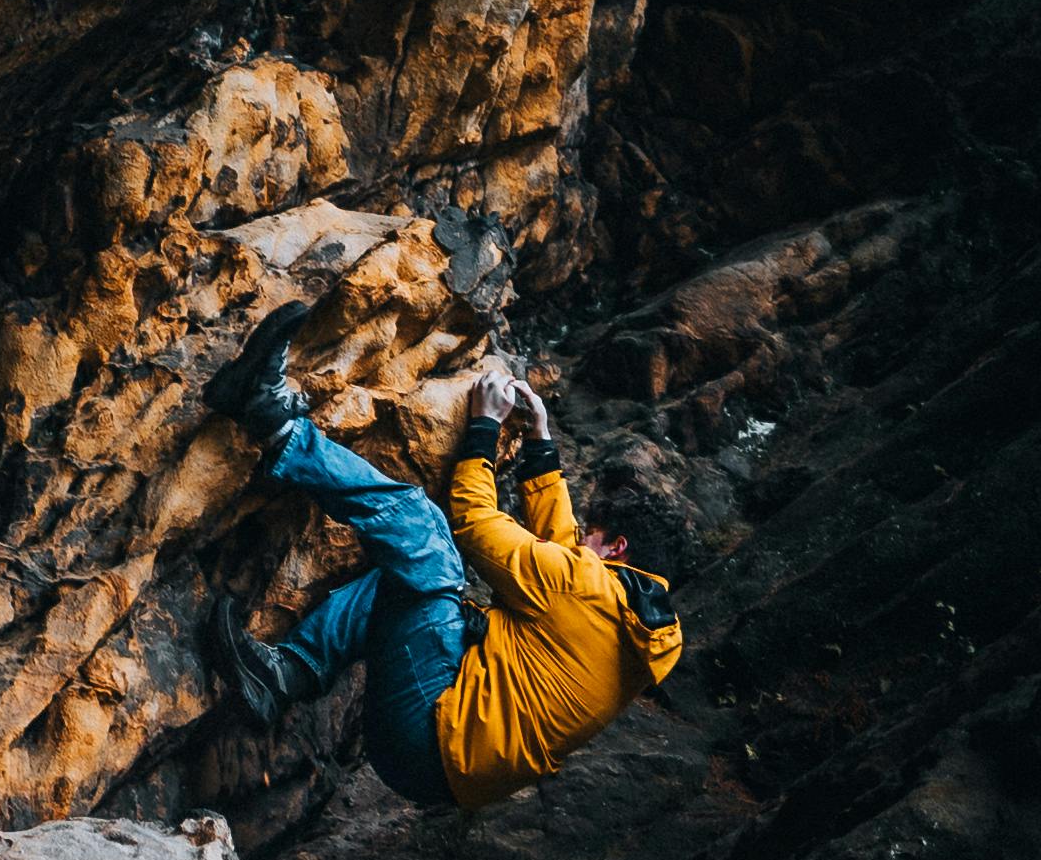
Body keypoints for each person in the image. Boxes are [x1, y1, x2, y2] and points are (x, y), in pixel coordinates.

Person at [201, 319, 682, 811]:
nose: (579, 538)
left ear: (616, 550)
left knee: (426, 538)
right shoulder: (634, 619)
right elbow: (562, 558)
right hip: (440, 769)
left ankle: (272, 421)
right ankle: (284, 676)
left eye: (589, 536)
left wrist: (484, 427)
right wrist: (539, 443)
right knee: (407, 582)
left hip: (429, 735)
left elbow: (473, 521)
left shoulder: (588, 589)